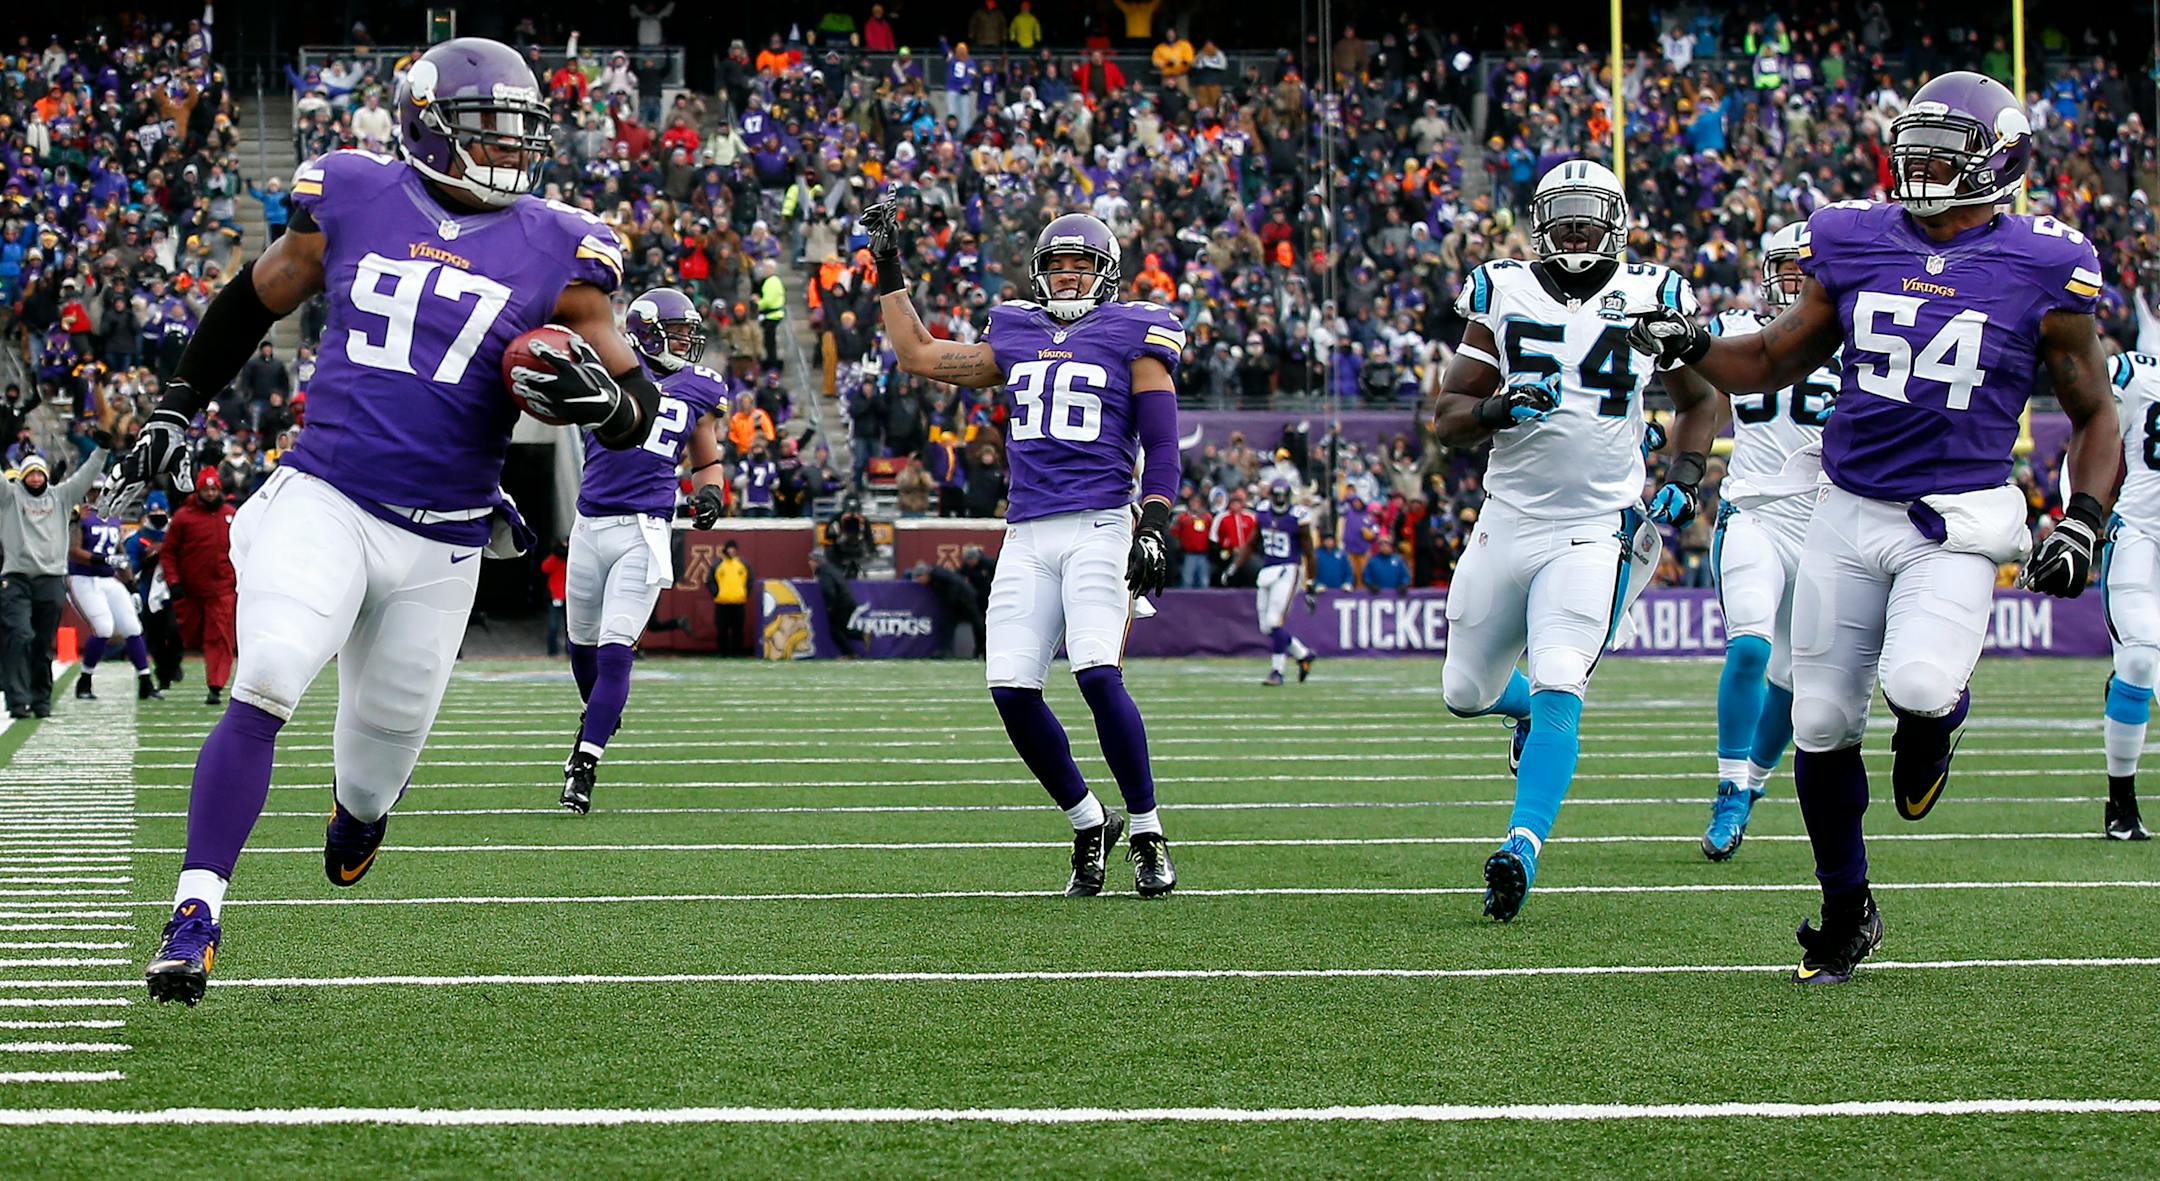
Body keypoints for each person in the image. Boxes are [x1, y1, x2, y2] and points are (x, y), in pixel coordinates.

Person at [128, 38, 664, 1006]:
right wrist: (176, 406)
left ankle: (358, 813)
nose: (509, 147)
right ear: (426, 124)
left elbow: (638, 406)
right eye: (487, 127)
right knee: (268, 675)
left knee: (371, 785)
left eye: (519, 129)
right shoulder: (353, 191)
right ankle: (195, 912)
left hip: (443, 540)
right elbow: (254, 298)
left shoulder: (563, 245)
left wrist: (603, 404)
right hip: (327, 494)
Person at [1631, 73, 2120, 983]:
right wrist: (1692, 344)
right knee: (1819, 720)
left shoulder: (2043, 263)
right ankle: (1847, 910)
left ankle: (1936, 724)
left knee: (1920, 683)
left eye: (1944, 150)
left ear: (1999, 162)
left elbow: (2094, 414)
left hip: (1958, 515)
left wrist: (2082, 521)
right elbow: (1773, 355)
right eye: (1915, 145)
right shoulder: (1854, 236)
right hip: (1848, 507)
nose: (1920, 164)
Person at [867, 199, 1182, 897]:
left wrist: (1156, 522)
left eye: (1081, 264)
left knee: (1097, 673)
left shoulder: (1136, 330)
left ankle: (1149, 830)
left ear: (1107, 272)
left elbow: (1162, 444)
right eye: (1057, 264)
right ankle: (1089, 819)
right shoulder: (1014, 329)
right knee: (1010, 687)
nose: (1068, 275)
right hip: (1028, 531)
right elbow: (918, 353)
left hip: (1101, 522)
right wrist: (888, 265)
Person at [1433, 159, 1721, 923]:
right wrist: (1499, 408)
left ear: (1616, 225)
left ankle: (1520, 846)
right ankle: (1521, 711)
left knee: (1562, 673)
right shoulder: (1502, 290)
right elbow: (1448, 417)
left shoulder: (1654, 294)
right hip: (1507, 518)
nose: (1574, 230)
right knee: (1464, 691)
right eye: (1561, 217)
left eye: (1588, 217)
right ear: (1538, 224)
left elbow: (1700, 399)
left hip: (1595, 528)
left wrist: (1687, 475)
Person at [1697, 223, 1839, 860]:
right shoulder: (1735, 329)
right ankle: (1730, 786)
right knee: (1750, 645)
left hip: (1826, 526)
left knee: (1793, 673)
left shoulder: (1860, 338)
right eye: (1787, 266)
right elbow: (1699, 401)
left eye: (1806, 267)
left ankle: (1752, 783)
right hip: (1754, 511)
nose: (1794, 278)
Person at [561, 288, 730, 814]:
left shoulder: (699, 387)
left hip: (645, 528)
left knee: (616, 650)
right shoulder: (605, 369)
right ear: (646, 333)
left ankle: (585, 764)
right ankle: (596, 719)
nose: (686, 342)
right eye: (677, 332)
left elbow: (707, 460)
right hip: (589, 524)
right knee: (581, 649)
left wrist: (711, 492)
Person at [2098, 349, 2160, 839]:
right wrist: (2078, 515)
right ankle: (2121, 801)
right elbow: (2095, 431)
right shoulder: (2138, 370)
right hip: (2140, 533)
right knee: (2138, 660)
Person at [0, 448, 112, 718]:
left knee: (42, 642)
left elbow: (86, 475)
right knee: (19, 635)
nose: (35, 478)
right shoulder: (9, 496)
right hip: (16, 578)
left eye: (39, 473)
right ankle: (17, 700)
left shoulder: (61, 496)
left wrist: (101, 450)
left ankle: (41, 700)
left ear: (46, 475)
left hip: (51, 578)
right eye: (30, 474)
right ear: (22, 476)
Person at [67, 480, 163, 701]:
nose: (100, 495)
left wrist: (131, 586)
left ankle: (145, 682)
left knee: (133, 627)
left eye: (103, 491)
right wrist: (101, 559)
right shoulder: (80, 516)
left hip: (108, 579)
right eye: (95, 491)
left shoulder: (114, 518)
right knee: (103, 628)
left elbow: (121, 555)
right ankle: (85, 681)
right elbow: (73, 551)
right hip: (83, 578)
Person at [159, 468, 239, 708]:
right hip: (189, 589)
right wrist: (174, 581)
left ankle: (216, 686)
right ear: (199, 490)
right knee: (180, 634)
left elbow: (244, 548)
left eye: (214, 489)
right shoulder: (184, 517)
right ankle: (168, 668)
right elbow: (169, 552)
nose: (211, 493)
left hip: (222, 589)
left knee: (219, 638)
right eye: (206, 489)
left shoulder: (231, 515)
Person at [1236, 479, 1317, 685]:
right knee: (1266, 627)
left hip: (1289, 569)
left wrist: (1310, 582)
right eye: (1276, 495)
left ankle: (1277, 672)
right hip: (1268, 570)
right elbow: (1252, 542)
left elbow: (1309, 551)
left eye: (1282, 495)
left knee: (1274, 622)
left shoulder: (1298, 516)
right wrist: (1236, 565)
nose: (1280, 499)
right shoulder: (1263, 511)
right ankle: (1303, 654)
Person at [126, 492, 185, 690]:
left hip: (173, 590)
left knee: (176, 632)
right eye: (154, 512)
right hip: (148, 593)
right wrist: (148, 559)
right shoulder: (138, 538)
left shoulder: (176, 533)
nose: (158, 515)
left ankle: (173, 664)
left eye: (161, 511)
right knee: (155, 638)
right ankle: (163, 673)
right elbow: (131, 567)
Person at [709, 539, 752, 657]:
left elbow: (750, 580)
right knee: (722, 629)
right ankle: (722, 652)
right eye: (730, 549)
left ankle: (737, 652)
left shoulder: (743, 564)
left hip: (738, 601)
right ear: (725, 550)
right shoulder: (718, 564)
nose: (731, 551)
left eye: (733, 549)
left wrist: (745, 594)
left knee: (738, 629)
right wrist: (716, 593)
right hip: (722, 602)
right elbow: (710, 580)